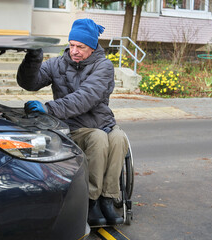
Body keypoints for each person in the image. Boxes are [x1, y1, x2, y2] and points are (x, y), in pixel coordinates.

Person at [16, 18, 129, 226]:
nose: (74, 51)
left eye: (81, 47)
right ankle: (92, 200)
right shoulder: (57, 64)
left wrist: (50, 108)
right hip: (74, 127)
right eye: (72, 45)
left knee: (119, 137)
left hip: (101, 122)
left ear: (93, 47)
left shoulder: (103, 66)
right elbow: (29, 82)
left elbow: (86, 97)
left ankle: (108, 198)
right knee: (98, 138)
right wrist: (33, 58)